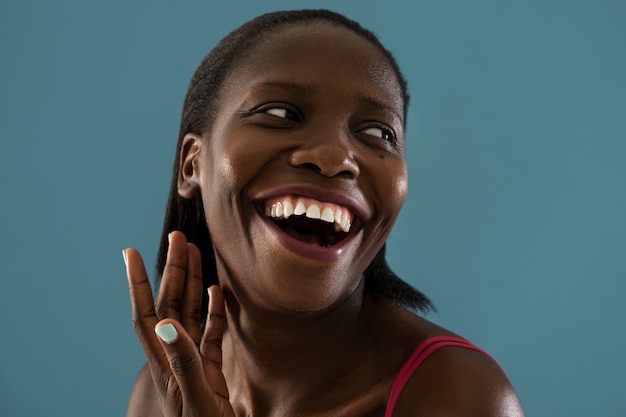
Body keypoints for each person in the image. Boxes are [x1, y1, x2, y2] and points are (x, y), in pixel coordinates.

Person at [123, 9, 525, 417]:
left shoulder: (457, 396)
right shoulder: (162, 397)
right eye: (280, 114)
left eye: (377, 133)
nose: (335, 158)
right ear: (192, 163)